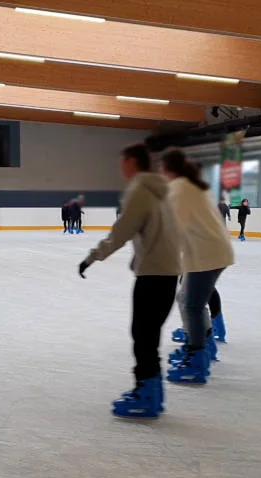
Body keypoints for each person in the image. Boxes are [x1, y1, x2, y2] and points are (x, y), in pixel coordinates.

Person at [78, 143, 181, 419]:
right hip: (170, 272)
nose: (121, 168)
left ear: (132, 162)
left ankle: (146, 394)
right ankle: (153, 393)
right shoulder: (164, 191)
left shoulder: (139, 191)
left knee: (142, 335)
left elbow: (121, 232)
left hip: (152, 274)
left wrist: (92, 256)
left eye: (122, 162)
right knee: (149, 335)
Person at [160, 148, 234, 384]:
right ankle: (203, 344)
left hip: (206, 254)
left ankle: (197, 360)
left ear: (168, 169)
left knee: (191, 303)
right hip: (206, 251)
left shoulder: (180, 187)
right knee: (188, 299)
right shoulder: (194, 185)